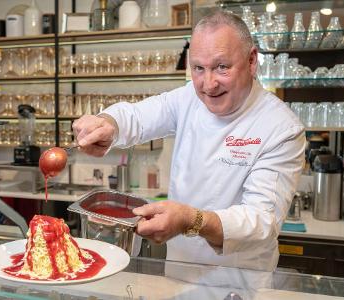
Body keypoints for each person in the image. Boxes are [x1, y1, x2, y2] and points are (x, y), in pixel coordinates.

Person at [72, 10, 305, 272]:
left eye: (222, 67)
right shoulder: (188, 99)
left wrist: (191, 221)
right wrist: (107, 124)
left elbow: (261, 222)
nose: (208, 84)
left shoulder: (281, 127)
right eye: (198, 68)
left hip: (239, 282)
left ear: (252, 61)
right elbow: (138, 116)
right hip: (179, 273)